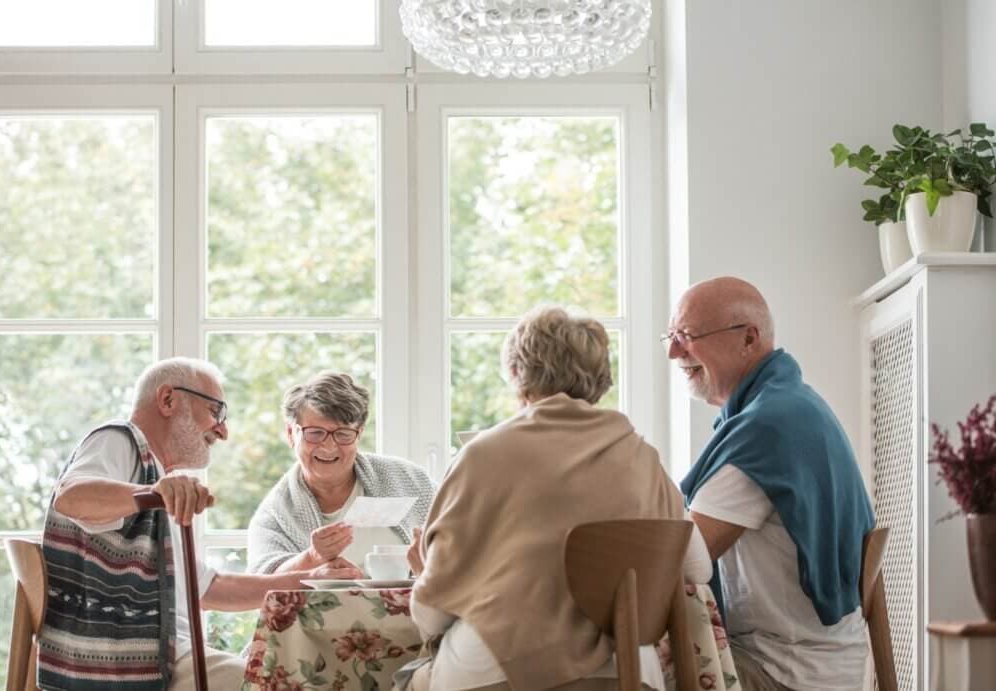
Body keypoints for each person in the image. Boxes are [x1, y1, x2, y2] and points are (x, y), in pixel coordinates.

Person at [405, 306, 712, 691]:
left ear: (517, 374)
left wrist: (424, 577)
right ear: (601, 378)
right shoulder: (643, 457)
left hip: (494, 668)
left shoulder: (485, 454)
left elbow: (432, 614)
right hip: (628, 672)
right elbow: (698, 570)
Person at [38, 357, 361, 691]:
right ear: (168, 400)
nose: (223, 431)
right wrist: (152, 492)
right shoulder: (120, 440)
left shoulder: (157, 477)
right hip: (132, 661)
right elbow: (71, 496)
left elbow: (209, 589)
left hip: (163, 655)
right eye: (216, 412)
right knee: (287, 683)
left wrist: (309, 578)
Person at [666, 277, 875, 691]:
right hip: (822, 659)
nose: (674, 352)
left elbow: (679, 560)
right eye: (670, 337)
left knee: (618, 674)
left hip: (785, 670)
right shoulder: (791, 405)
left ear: (748, 338)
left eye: (687, 336)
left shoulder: (766, 430)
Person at [247, 371, 434, 575]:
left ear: (359, 433)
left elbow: (462, 542)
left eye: (343, 434)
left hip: (410, 606)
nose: (328, 447)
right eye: (315, 433)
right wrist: (312, 558)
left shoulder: (409, 479)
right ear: (292, 434)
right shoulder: (276, 513)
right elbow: (262, 581)